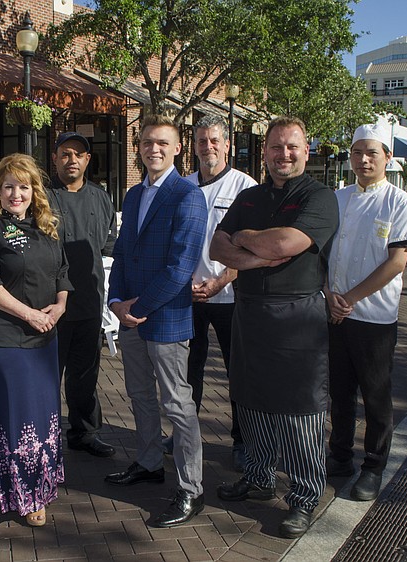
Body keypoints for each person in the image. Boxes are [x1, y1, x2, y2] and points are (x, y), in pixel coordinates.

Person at [211, 116, 339, 539]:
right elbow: (217, 245)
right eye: (275, 147)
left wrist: (245, 240)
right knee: (250, 399)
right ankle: (260, 478)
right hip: (249, 311)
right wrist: (259, 252)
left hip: (297, 316)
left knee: (301, 412)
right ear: (263, 151)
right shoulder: (249, 196)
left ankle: (303, 498)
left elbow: (288, 244)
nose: (283, 154)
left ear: (306, 151)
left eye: (292, 147)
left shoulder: (319, 197)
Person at [105, 114, 208, 528]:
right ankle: (148, 463)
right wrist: (115, 300)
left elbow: (181, 268)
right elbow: (125, 251)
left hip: (165, 318)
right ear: (139, 147)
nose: (155, 149)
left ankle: (191, 488)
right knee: (140, 395)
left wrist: (137, 306)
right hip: (132, 316)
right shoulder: (133, 195)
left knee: (178, 405)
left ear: (178, 147)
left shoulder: (188, 196)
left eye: (163, 143)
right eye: (148, 142)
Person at [0, 153, 72, 527]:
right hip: (6, 339)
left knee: (44, 414)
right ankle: (25, 495)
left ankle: (40, 482)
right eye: (8, 186)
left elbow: (62, 270)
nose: (16, 193)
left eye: (24, 186)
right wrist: (29, 314)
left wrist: (58, 307)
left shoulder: (46, 226)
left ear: (34, 191)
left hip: (45, 337)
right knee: (17, 418)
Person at [326, 123, 407, 501]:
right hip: (335, 312)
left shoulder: (400, 203)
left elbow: (396, 263)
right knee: (340, 392)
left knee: (376, 395)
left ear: (387, 158)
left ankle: (374, 465)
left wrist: (348, 297)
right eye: (357, 152)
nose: (363, 160)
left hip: (374, 318)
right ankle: (339, 455)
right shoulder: (337, 198)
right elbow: (322, 253)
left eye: (372, 153)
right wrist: (329, 295)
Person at [162, 115, 256, 471]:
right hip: (187, 297)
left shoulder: (245, 187)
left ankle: (243, 441)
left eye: (215, 140)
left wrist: (223, 279)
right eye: (202, 140)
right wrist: (181, 282)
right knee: (187, 373)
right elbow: (173, 242)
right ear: (193, 145)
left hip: (230, 297)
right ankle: (184, 435)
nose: (208, 147)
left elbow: (250, 248)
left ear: (227, 145)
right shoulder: (182, 186)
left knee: (238, 372)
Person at [47, 131, 117, 458]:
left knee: (85, 376)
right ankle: (44, 440)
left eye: (78, 154)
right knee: (47, 378)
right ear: (55, 158)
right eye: (65, 153)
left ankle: (85, 432)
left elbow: (109, 246)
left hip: (89, 301)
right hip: (49, 307)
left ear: (87, 160)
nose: (71, 159)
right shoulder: (41, 198)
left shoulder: (101, 198)